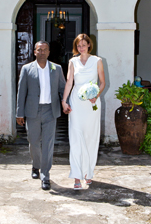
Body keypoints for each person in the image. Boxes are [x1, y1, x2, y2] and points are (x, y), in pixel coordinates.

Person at [16, 41, 68, 191]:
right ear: (34, 52)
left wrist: (66, 103)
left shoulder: (56, 69)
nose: (42, 52)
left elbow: (63, 88)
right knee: (33, 141)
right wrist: (19, 113)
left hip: (50, 111)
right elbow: (21, 93)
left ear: (49, 52)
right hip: (32, 111)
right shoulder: (27, 69)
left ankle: (45, 175)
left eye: (45, 50)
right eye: (39, 50)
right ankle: (36, 165)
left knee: (48, 144)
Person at [62, 33, 106, 190]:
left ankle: (88, 172)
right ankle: (76, 175)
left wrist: (96, 95)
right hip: (76, 103)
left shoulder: (97, 61)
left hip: (92, 103)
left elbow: (102, 82)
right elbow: (69, 82)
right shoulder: (73, 61)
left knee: (90, 138)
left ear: (89, 45)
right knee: (75, 137)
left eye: (83, 45)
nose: (81, 48)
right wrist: (64, 101)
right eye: (78, 45)